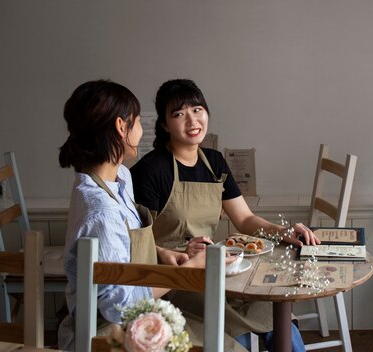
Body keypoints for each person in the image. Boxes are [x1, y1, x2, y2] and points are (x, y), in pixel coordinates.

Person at [131, 79, 319, 351]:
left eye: (197, 110)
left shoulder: (214, 162)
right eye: (179, 114)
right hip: (174, 280)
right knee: (234, 328)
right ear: (164, 124)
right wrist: (181, 251)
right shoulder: (151, 170)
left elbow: (244, 219)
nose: (192, 120)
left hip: (216, 270)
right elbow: (136, 244)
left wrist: (283, 231)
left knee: (277, 318)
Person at [56, 80, 240, 351]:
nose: (142, 132)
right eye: (139, 122)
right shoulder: (101, 211)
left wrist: (160, 253)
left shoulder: (118, 177)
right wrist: (188, 270)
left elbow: (121, 247)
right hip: (107, 333)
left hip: (139, 315)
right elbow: (119, 307)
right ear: (121, 127)